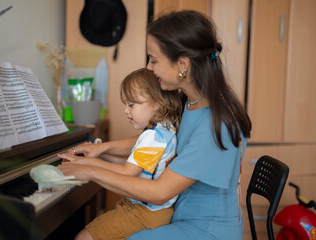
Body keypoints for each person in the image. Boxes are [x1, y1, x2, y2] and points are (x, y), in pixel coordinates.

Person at [59, 10, 251, 240]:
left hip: (206, 230)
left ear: (182, 64)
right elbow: (156, 140)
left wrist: (90, 169)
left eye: (154, 59)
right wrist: (103, 149)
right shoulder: (190, 102)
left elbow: (159, 193)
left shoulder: (214, 125)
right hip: (180, 215)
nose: (149, 67)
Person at [59, 67, 182, 240]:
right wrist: (103, 155)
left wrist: (85, 164)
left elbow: (127, 173)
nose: (126, 110)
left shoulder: (152, 137)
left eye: (131, 104)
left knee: (83, 237)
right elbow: (136, 166)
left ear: (156, 103)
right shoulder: (163, 129)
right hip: (152, 211)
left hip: (144, 212)